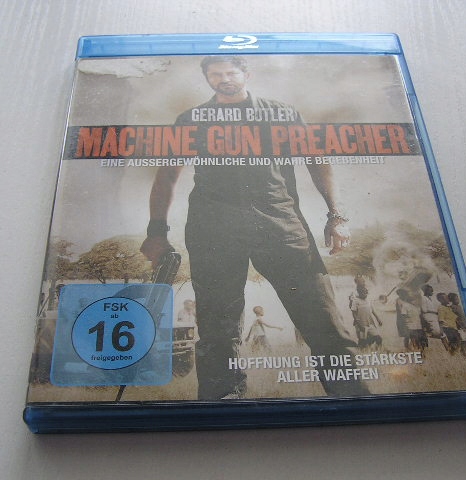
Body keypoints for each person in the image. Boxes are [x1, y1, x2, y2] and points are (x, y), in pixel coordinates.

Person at [140, 55, 366, 400]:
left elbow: (317, 160)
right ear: (207, 79)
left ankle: (355, 403)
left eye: (231, 72)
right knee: (217, 330)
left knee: (324, 320)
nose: (224, 79)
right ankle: (221, 412)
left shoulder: (281, 113)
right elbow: (168, 175)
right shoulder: (191, 119)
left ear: (246, 74)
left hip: (280, 223)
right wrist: (156, 231)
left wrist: (337, 216)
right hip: (213, 229)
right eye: (216, 74)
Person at [350, 285, 383, 350]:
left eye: (366, 293)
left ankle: (377, 351)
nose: (365, 295)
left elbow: (373, 311)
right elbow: (353, 313)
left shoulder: (368, 300)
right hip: (360, 324)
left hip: (370, 323)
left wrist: (378, 319)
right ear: (359, 293)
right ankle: (361, 351)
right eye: (363, 293)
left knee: (379, 338)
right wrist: (359, 324)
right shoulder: (356, 301)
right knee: (362, 341)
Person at [396, 288, 428, 353]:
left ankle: (412, 348)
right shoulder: (399, 300)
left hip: (412, 319)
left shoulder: (410, 303)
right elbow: (401, 311)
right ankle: (407, 348)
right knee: (407, 335)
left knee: (412, 335)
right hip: (404, 319)